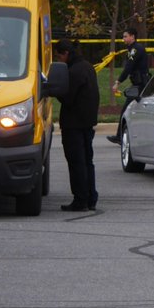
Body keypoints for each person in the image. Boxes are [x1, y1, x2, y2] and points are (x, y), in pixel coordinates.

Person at [56, 39, 100, 211]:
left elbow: (67, 97)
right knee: (87, 161)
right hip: (87, 122)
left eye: (59, 55)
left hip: (73, 123)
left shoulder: (73, 71)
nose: (59, 59)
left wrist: (55, 91)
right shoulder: (88, 67)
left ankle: (80, 199)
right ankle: (91, 197)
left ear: (65, 53)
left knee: (76, 163)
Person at [108, 27, 151, 143]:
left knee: (125, 111)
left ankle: (120, 137)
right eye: (123, 37)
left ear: (132, 36)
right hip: (139, 84)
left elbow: (128, 67)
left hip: (140, 85)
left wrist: (118, 82)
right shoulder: (133, 48)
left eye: (125, 36)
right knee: (139, 111)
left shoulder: (135, 49)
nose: (123, 39)